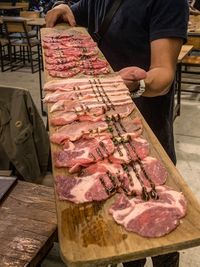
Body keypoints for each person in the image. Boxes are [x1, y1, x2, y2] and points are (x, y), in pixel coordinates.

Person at [45, 1, 189, 266]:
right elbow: (75, 11)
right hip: (101, 120)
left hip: (144, 122)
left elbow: (164, 73)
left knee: (161, 224)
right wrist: (62, 5)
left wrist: (138, 83)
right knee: (123, 222)